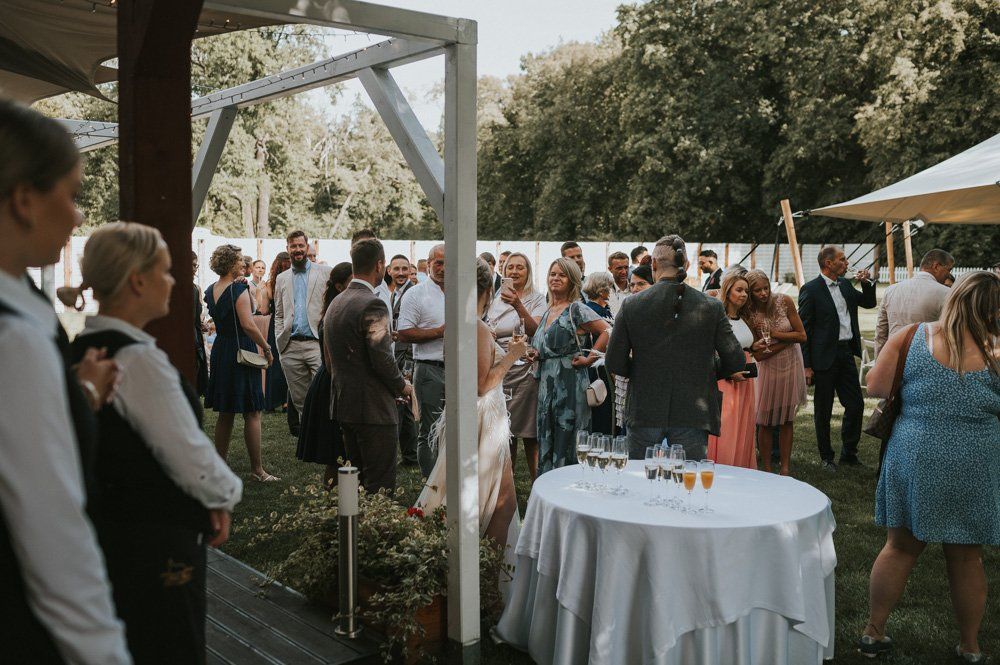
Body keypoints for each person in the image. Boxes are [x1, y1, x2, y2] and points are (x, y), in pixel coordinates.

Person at [65, 223, 242, 663]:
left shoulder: (83, 347)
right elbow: (188, 455)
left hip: (111, 536)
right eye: (165, 271)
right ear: (138, 280)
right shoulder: (138, 361)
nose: (173, 281)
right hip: (155, 544)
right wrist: (224, 495)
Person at [0, 98, 130, 665]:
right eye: (72, 194)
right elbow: (52, 529)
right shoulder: (15, 338)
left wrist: (71, 393)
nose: (79, 215)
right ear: (25, 199)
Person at [859, 271, 1000, 661]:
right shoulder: (997, 350)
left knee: (900, 547)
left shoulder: (912, 337)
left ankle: (873, 632)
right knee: (966, 556)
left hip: (915, 453)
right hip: (974, 459)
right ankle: (970, 646)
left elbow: (875, 386)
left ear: (953, 298)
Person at [418, 258, 527, 552]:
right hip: (482, 420)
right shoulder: (475, 327)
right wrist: (512, 355)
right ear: (487, 291)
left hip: (475, 416)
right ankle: (487, 585)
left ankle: (477, 574)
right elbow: (482, 384)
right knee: (499, 506)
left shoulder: (460, 322)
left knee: (484, 501)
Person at [607, 235, 745, 461]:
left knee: (638, 480)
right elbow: (736, 360)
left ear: (653, 264)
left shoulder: (632, 305)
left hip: (645, 406)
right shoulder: (711, 306)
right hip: (692, 410)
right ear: (687, 265)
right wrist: (705, 369)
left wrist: (643, 370)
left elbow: (614, 361)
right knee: (688, 484)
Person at [325, 239, 412, 493]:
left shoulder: (337, 302)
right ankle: (376, 532)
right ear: (380, 265)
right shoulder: (373, 303)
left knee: (356, 481)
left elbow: (330, 359)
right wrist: (403, 387)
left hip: (345, 404)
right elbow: (383, 358)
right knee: (379, 485)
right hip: (373, 409)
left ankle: (354, 530)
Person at [204, 244, 278, 482]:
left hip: (221, 350)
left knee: (225, 412)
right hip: (241, 350)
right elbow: (248, 323)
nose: (242, 265)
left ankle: (219, 466)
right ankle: (258, 470)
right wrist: (266, 348)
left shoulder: (211, 289)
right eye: (239, 261)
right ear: (230, 264)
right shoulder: (238, 290)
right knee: (252, 411)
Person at [799, 245, 877, 471]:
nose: (847, 263)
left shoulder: (844, 284)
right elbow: (805, 330)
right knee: (823, 410)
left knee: (856, 404)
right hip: (823, 357)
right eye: (842, 260)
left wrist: (866, 282)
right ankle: (826, 457)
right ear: (828, 263)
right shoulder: (811, 290)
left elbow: (869, 303)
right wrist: (807, 365)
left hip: (845, 353)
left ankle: (849, 454)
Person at [533, 258, 611, 473]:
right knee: (547, 436)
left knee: (568, 439)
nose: (555, 278)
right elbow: (547, 346)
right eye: (552, 274)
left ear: (572, 280)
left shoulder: (575, 309)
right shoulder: (549, 310)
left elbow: (607, 331)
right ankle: (548, 487)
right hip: (546, 386)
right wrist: (535, 353)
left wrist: (590, 358)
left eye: (562, 275)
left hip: (570, 384)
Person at [487, 251, 546, 479]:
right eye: (510, 267)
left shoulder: (537, 299)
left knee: (531, 434)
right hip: (502, 371)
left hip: (527, 370)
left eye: (519, 267)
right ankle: (506, 485)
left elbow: (536, 331)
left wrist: (518, 304)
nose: (514, 271)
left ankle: (536, 482)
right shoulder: (495, 300)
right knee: (505, 433)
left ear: (528, 271)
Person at [743, 269, 807, 474]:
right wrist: (787, 342)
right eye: (757, 290)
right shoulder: (749, 314)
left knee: (788, 418)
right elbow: (759, 355)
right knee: (765, 420)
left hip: (791, 365)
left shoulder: (785, 301)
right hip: (767, 370)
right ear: (750, 293)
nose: (763, 293)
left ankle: (785, 467)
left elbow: (802, 335)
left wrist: (776, 335)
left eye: (766, 288)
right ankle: (768, 468)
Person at [297, 262, 352, 487]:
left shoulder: (338, 306)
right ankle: (332, 504)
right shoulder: (334, 311)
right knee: (337, 453)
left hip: (332, 382)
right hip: (331, 386)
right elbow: (331, 364)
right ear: (339, 286)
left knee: (343, 453)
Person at [274, 230, 334, 436]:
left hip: (317, 344)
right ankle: (311, 439)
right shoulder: (281, 279)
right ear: (287, 249)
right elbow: (279, 313)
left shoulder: (325, 272)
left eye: (301, 246)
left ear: (307, 247)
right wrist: (280, 341)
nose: (297, 250)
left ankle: (327, 435)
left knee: (325, 392)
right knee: (300, 398)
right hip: (290, 346)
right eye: (293, 246)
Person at [397, 243, 447, 477]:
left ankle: (450, 479)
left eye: (448, 262)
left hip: (462, 370)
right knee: (429, 430)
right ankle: (432, 485)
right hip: (430, 369)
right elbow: (404, 333)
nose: (444, 268)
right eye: (439, 262)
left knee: (455, 429)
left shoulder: (464, 290)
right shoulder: (416, 294)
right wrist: (440, 331)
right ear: (428, 264)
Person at [706, 271, 759, 469]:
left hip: (745, 379)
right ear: (727, 292)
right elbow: (709, 350)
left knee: (743, 425)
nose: (744, 294)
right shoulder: (717, 318)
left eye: (746, 291)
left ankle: (741, 466)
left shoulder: (744, 317)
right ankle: (724, 466)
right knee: (727, 426)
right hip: (726, 379)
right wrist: (728, 372)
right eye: (739, 290)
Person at [875, 248, 954, 355]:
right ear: (936, 266)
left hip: (894, 356)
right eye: (948, 270)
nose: (948, 275)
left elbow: (881, 331)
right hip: (926, 358)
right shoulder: (946, 293)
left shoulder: (891, 290)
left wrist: (879, 361)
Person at [613, 263, 655, 434]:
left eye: (641, 283)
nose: (635, 288)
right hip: (627, 380)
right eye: (632, 284)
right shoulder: (627, 309)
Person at [386, 254, 419, 465]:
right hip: (395, 352)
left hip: (408, 355)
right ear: (389, 270)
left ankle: (409, 454)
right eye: (396, 269)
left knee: (406, 404)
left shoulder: (413, 293)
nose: (400, 273)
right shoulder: (392, 294)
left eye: (404, 269)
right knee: (402, 403)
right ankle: (408, 453)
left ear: (409, 271)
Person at [582, 272, 616, 435]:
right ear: (603, 291)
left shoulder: (592, 309)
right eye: (611, 287)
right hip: (600, 367)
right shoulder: (599, 313)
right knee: (604, 412)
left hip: (589, 365)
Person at [258, 251, 291, 412]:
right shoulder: (293, 281)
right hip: (291, 322)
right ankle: (287, 402)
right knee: (289, 359)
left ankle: (271, 402)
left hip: (275, 324)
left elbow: (264, 310)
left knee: (274, 361)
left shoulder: (270, 284)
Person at [193, 250, 208, 396]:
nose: (193, 269)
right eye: (191, 265)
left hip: (196, 336)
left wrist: (201, 324)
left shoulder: (196, 288)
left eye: (195, 266)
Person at [606, 251, 630, 316]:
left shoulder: (636, 288)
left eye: (626, 267)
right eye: (619, 268)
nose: (624, 272)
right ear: (610, 269)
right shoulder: (605, 291)